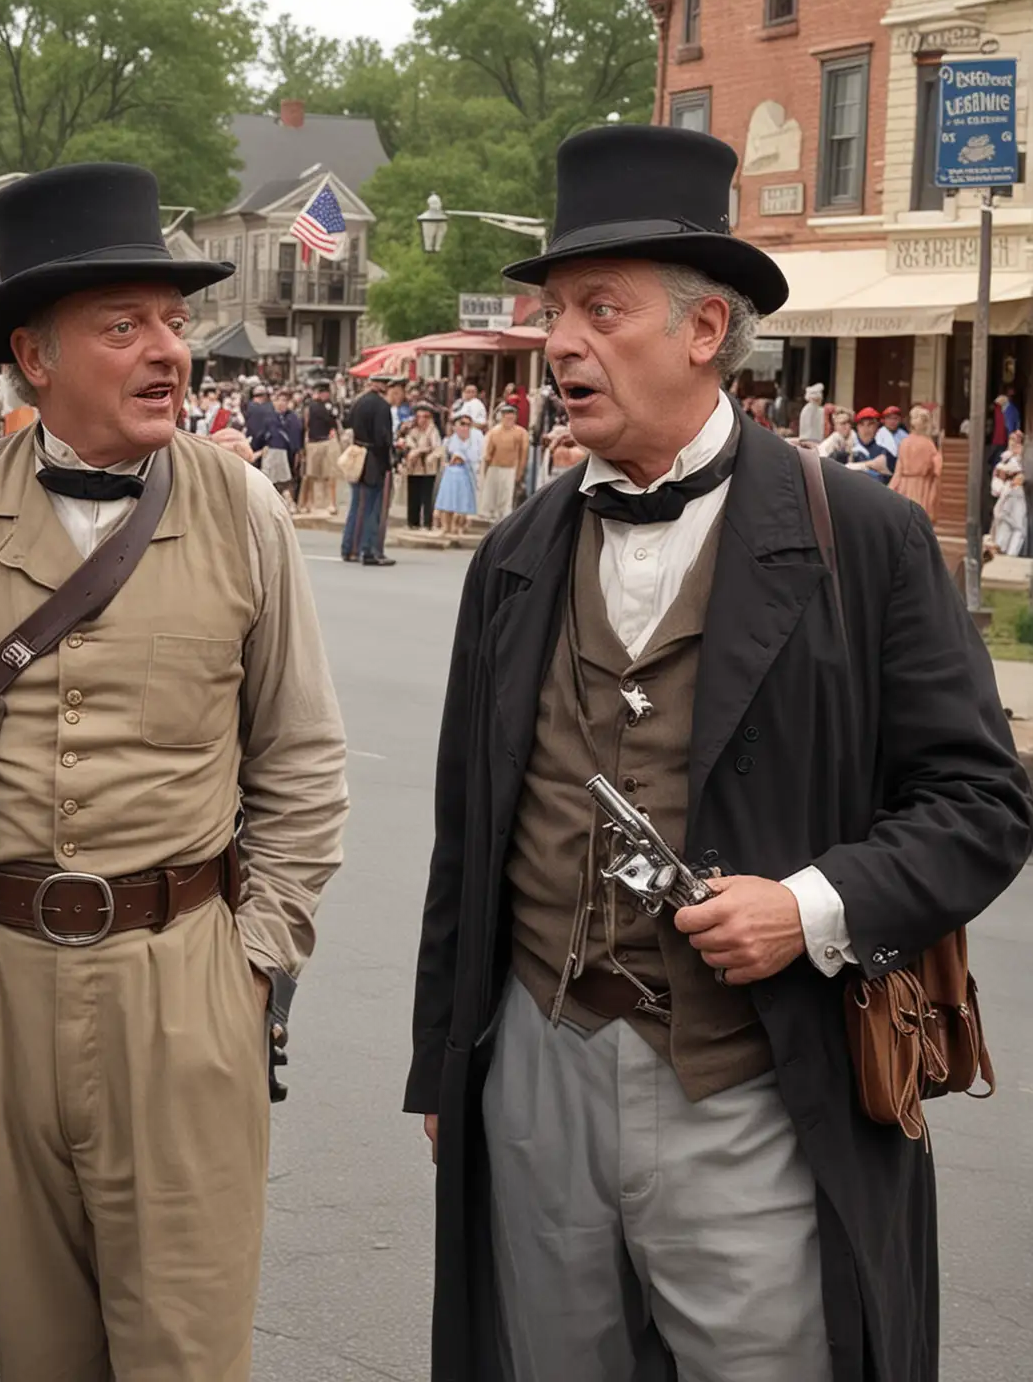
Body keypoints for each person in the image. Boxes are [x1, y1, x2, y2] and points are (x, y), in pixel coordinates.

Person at [408, 123, 1033, 1382]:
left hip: (756, 1084)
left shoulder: (863, 538)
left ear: (705, 333)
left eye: (601, 310)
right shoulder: (516, 556)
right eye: (553, 313)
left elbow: (981, 801)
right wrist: (444, 1066)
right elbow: (469, 830)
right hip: (538, 1063)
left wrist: (808, 907)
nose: (561, 344)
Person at [0, 161, 348, 1381]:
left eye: (171, 321)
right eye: (126, 326)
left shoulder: (245, 511)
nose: (171, 351)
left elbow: (303, 759)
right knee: (42, 1350)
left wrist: (253, 960)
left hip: (185, 980)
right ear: (35, 355)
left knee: (184, 1352)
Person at [343, 369, 397, 565]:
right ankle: (368, 550)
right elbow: (383, 438)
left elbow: (347, 423)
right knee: (372, 508)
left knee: (356, 505)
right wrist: (389, 461)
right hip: (373, 460)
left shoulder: (359, 402)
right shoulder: (381, 406)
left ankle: (349, 548)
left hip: (358, 454)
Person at [888, 404, 942, 517]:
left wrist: (892, 488)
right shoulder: (928, 444)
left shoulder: (904, 442)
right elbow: (936, 469)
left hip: (904, 484)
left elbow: (898, 470)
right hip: (922, 486)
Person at [434, 412, 481, 535]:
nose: (465, 427)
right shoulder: (449, 440)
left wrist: (461, 457)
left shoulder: (473, 441)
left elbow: (475, 457)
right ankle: (445, 526)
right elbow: (444, 456)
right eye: (462, 424)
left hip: (465, 473)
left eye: (468, 425)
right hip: (450, 473)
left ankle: (459, 526)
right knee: (447, 499)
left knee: (462, 501)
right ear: (455, 426)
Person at [301, 378, 342, 516]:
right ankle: (309, 502)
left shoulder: (331, 406)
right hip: (313, 441)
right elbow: (306, 423)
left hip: (327, 440)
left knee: (331, 474)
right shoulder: (311, 405)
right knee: (311, 474)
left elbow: (334, 422)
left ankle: (332, 502)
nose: (325, 395)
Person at [480, 402, 527, 522]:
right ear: (502, 417)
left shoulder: (521, 433)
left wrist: (520, 472)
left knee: (506, 497)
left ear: (515, 417)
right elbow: (488, 454)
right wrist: (485, 470)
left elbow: (523, 453)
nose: (509, 419)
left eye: (511, 416)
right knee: (491, 494)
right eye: (506, 416)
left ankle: (504, 518)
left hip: (510, 467)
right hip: (494, 466)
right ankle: (489, 515)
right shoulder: (494, 432)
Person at [260, 386, 303, 505]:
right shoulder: (268, 417)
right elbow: (262, 435)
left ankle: (291, 502)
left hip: (289, 451)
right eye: (278, 400)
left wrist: (298, 452)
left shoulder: (293, 418)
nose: (281, 403)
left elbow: (297, 435)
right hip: (271, 451)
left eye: (284, 400)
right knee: (270, 480)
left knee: (289, 479)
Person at [403, 403, 443, 529]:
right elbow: (407, 443)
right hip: (413, 468)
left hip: (428, 468)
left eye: (425, 417)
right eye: (419, 416)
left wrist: (424, 452)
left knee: (427, 496)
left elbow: (437, 448)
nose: (422, 420)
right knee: (413, 495)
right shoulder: (412, 430)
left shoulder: (433, 431)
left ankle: (427, 522)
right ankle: (412, 522)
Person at [992, 471, 1027, 556]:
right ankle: (1002, 549)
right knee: (1009, 529)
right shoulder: (1010, 490)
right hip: (1008, 515)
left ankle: (1003, 549)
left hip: (1010, 515)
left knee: (1013, 529)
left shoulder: (1016, 493)